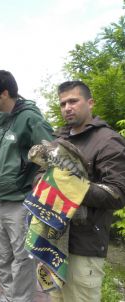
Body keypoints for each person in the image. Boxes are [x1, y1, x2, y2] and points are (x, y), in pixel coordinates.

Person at [49, 81, 125, 302]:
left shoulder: (107, 140)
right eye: (63, 103)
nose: (67, 107)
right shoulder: (60, 140)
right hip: (54, 241)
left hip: (85, 246)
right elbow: (42, 176)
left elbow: (119, 193)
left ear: (90, 103)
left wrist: (69, 185)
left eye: (73, 101)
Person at [0, 70, 53, 302]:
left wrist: (39, 179)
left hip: (20, 202)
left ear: (4, 93)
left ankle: (21, 299)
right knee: (2, 256)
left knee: (22, 258)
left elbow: (50, 153)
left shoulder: (30, 118)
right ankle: (8, 294)